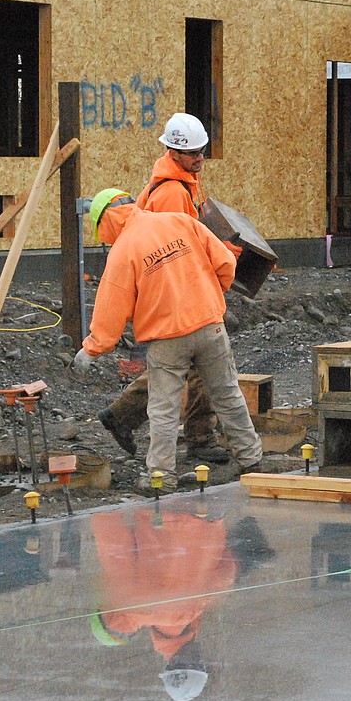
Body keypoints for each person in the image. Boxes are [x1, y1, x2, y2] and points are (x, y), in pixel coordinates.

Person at [71, 188, 262, 493]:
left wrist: (92, 349)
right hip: (210, 326)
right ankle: (251, 459)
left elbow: (111, 311)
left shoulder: (123, 251)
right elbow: (226, 261)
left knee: (164, 409)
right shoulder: (180, 222)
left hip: (167, 339)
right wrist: (213, 297)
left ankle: (162, 477)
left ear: (105, 221)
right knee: (228, 394)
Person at [98, 113, 231, 463]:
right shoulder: (172, 192)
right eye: (194, 154)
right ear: (173, 152)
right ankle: (199, 437)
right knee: (196, 365)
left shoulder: (182, 180)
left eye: (203, 151)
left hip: (179, 290)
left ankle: (123, 416)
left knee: (179, 366)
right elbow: (178, 251)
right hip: (175, 292)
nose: (200, 158)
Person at [89, 504, 274, 701]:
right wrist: (105, 512)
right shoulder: (145, 611)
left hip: (199, 515)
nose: (201, 658)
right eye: (201, 665)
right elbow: (116, 549)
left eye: (195, 663)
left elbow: (227, 571)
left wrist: (244, 561)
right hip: (165, 512)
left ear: (175, 663)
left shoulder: (181, 611)